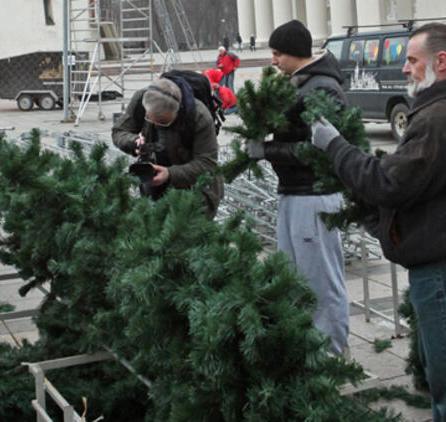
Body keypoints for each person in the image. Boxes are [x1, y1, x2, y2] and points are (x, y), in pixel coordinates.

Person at [311, 23, 446, 421]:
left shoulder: (435, 119)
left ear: (442, 61)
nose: (404, 68)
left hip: (438, 273)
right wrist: (380, 220)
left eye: (411, 59)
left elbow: (390, 182)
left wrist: (336, 146)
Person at [244, 19, 349, 356]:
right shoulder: (299, 84)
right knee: (295, 277)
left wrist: (266, 150)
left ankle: (331, 355)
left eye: (277, 53)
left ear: (295, 53)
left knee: (320, 281)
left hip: (314, 196)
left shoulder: (321, 89)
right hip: (294, 192)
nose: (273, 60)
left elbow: (320, 151)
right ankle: (307, 349)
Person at [112, 77, 224, 219]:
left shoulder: (199, 116)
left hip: (196, 188)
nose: (157, 126)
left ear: (177, 112)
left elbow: (207, 162)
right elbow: (119, 131)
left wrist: (170, 174)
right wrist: (133, 142)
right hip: (155, 185)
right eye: (150, 119)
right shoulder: (142, 100)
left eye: (163, 122)